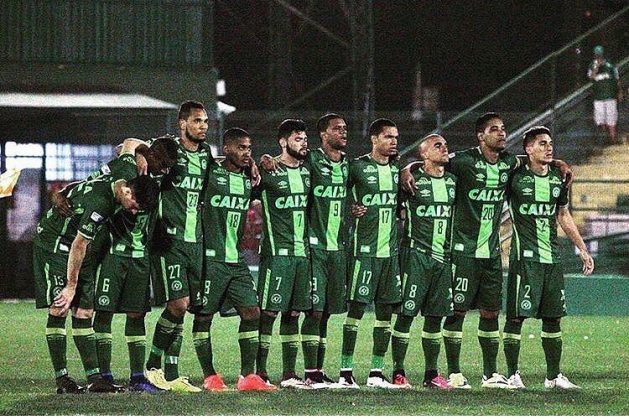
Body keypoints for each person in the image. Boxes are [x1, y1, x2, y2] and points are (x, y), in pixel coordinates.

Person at [33, 174, 159, 394]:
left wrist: (62, 192)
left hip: (79, 247)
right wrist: (71, 285)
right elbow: (79, 244)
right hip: (56, 244)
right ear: (127, 192)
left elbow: (129, 144)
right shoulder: (101, 204)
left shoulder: (119, 179)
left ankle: (95, 379)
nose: (134, 211)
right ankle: (62, 379)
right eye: (135, 205)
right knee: (60, 306)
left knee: (84, 311)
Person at [502, 126, 594, 390]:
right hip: (524, 260)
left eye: (550, 143)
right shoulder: (515, 176)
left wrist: (582, 249)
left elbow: (563, 215)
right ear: (528, 148)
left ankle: (553, 377)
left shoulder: (558, 177)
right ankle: (512, 375)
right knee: (516, 317)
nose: (549, 147)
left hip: (552, 259)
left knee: (553, 318)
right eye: (542, 143)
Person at [90, 137, 178, 394]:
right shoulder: (128, 170)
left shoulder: (161, 179)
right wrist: (140, 152)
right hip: (113, 255)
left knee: (137, 314)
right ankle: (104, 375)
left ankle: (138, 377)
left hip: (141, 257)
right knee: (104, 312)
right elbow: (126, 143)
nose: (164, 169)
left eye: (168, 166)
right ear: (151, 154)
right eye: (161, 162)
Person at [192, 128, 276, 392]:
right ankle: (209, 376)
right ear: (226, 149)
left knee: (252, 313)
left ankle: (247, 376)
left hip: (236, 261)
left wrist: (257, 162)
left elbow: (264, 176)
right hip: (211, 260)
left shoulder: (248, 180)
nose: (245, 152)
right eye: (240, 148)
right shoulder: (210, 173)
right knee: (204, 317)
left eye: (248, 148)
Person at [144, 101, 214, 393]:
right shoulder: (165, 149)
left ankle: (170, 374)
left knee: (184, 309)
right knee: (178, 304)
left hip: (195, 242)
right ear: (182, 123)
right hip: (170, 241)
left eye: (206, 122)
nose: (203, 126)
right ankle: (151, 367)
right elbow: (137, 151)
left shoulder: (208, 153)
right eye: (197, 121)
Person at [337, 118, 402, 389]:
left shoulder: (399, 169)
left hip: (390, 253)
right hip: (364, 251)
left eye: (396, 137)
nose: (394, 141)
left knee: (386, 312)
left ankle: (376, 372)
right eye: (388, 136)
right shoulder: (357, 167)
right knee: (356, 309)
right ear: (374, 139)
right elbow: (333, 190)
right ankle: (345, 371)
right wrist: (349, 205)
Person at [391, 134, 456, 390]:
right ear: (424, 154)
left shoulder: (452, 182)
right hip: (415, 255)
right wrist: (407, 169)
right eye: (437, 146)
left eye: (445, 144)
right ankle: (398, 372)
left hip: (442, 260)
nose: (444, 148)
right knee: (406, 315)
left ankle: (431, 374)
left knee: (435, 318)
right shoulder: (411, 181)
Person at [252, 119, 313, 389]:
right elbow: (241, 169)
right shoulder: (268, 171)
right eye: (298, 139)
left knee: (293, 313)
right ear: (283, 142)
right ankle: (260, 373)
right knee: (268, 313)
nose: (303, 143)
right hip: (277, 254)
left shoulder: (308, 173)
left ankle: (289, 374)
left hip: (302, 255)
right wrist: (260, 160)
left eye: (305, 139)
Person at [587, 45, 623, 144]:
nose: (598, 57)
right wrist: (597, 67)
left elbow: (617, 79)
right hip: (598, 97)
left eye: (600, 55)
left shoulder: (610, 65)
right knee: (600, 120)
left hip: (610, 96)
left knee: (611, 118)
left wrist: (619, 92)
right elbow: (591, 77)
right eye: (597, 55)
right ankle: (603, 139)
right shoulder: (592, 65)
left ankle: (613, 139)